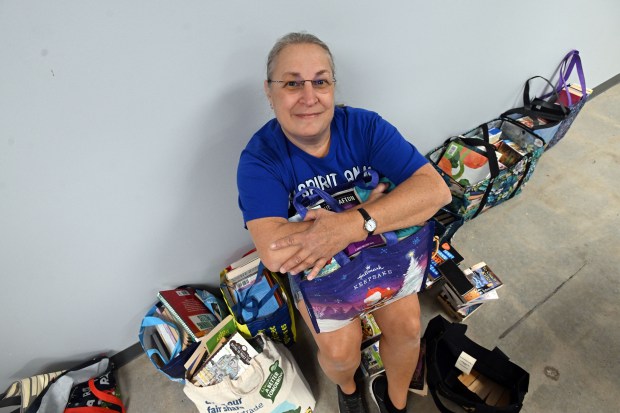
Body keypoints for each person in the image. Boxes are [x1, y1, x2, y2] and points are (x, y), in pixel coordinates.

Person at [237, 32, 451, 413]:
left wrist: (347, 226)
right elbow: (272, 250)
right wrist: (380, 210)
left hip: (383, 256)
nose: (308, 97)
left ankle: (396, 402)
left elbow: (435, 192)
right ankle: (350, 390)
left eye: (320, 81)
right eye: (291, 83)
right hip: (322, 273)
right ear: (269, 93)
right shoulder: (260, 158)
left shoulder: (364, 128)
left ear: (333, 87)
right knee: (340, 353)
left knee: (408, 330)